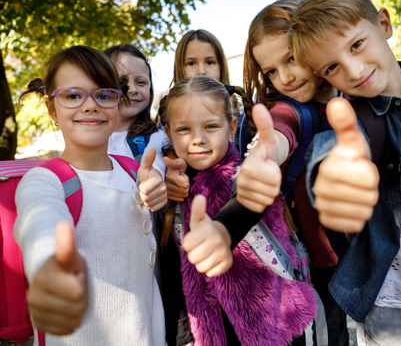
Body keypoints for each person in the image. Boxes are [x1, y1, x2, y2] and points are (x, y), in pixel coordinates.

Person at [286, 0, 401, 344]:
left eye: (356, 45)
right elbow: (332, 155)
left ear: (383, 24)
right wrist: (331, 183)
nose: (353, 71)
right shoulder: (352, 119)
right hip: (382, 298)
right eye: (332, 67)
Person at [14, 45, 165, 346]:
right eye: (72, 95)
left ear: (117, 103)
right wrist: (50, 266)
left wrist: (159, 194)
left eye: (103, 94)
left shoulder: (133, 170)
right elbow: (40, 221)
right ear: (51, 109)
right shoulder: (44, 180)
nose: (90, 105)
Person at [159, 75, 317, 346]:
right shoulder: (172, 195)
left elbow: (247, 205)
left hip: (275, 326)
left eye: (210, 126)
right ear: (168, 132)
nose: (197, 139)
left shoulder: (247, 178)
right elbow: (173, 275)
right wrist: (183, 336)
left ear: (232, 128)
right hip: (209, 331)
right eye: (184, 129)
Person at [236, 0, 349, 345]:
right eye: (271, 70)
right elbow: (280, 130)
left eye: (291, 59)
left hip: (352, 255)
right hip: (308, 264)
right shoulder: (288, 110)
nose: (284, 77)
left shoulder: (350, 97)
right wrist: (263, 153)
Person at [165, 29, 250, 203]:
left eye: (210, 62)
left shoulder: (244, 119)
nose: (201, 71)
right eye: (191, 63)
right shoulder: (168, 119)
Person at [104, 44, 167, 212]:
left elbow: (155, 163)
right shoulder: (91, 138)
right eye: (122, 82)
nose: (132, 89)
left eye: (140, 82)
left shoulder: (156, 137)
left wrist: (154, 177)